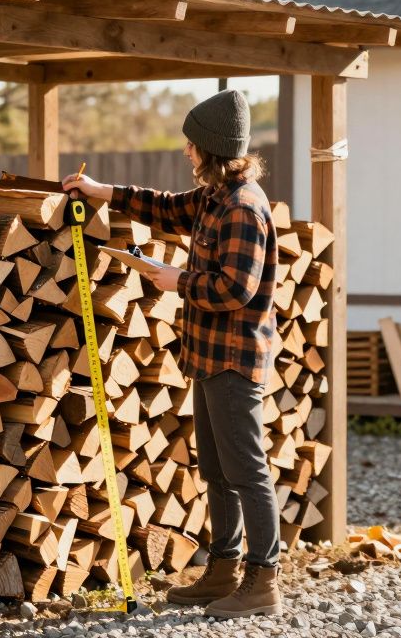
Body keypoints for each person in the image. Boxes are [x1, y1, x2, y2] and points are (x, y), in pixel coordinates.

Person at [62, 89, 281, 619]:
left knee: (247, 472)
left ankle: (263, 582)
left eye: (191, 143)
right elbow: (162, 206)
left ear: (211, 148)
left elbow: (237, 289)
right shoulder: (213, 197)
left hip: (233, 359)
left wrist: (177, 280)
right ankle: (224, 569)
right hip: (208, 357)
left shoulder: (244, 207)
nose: (185, 150)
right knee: (216, 470)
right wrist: (101, 191)